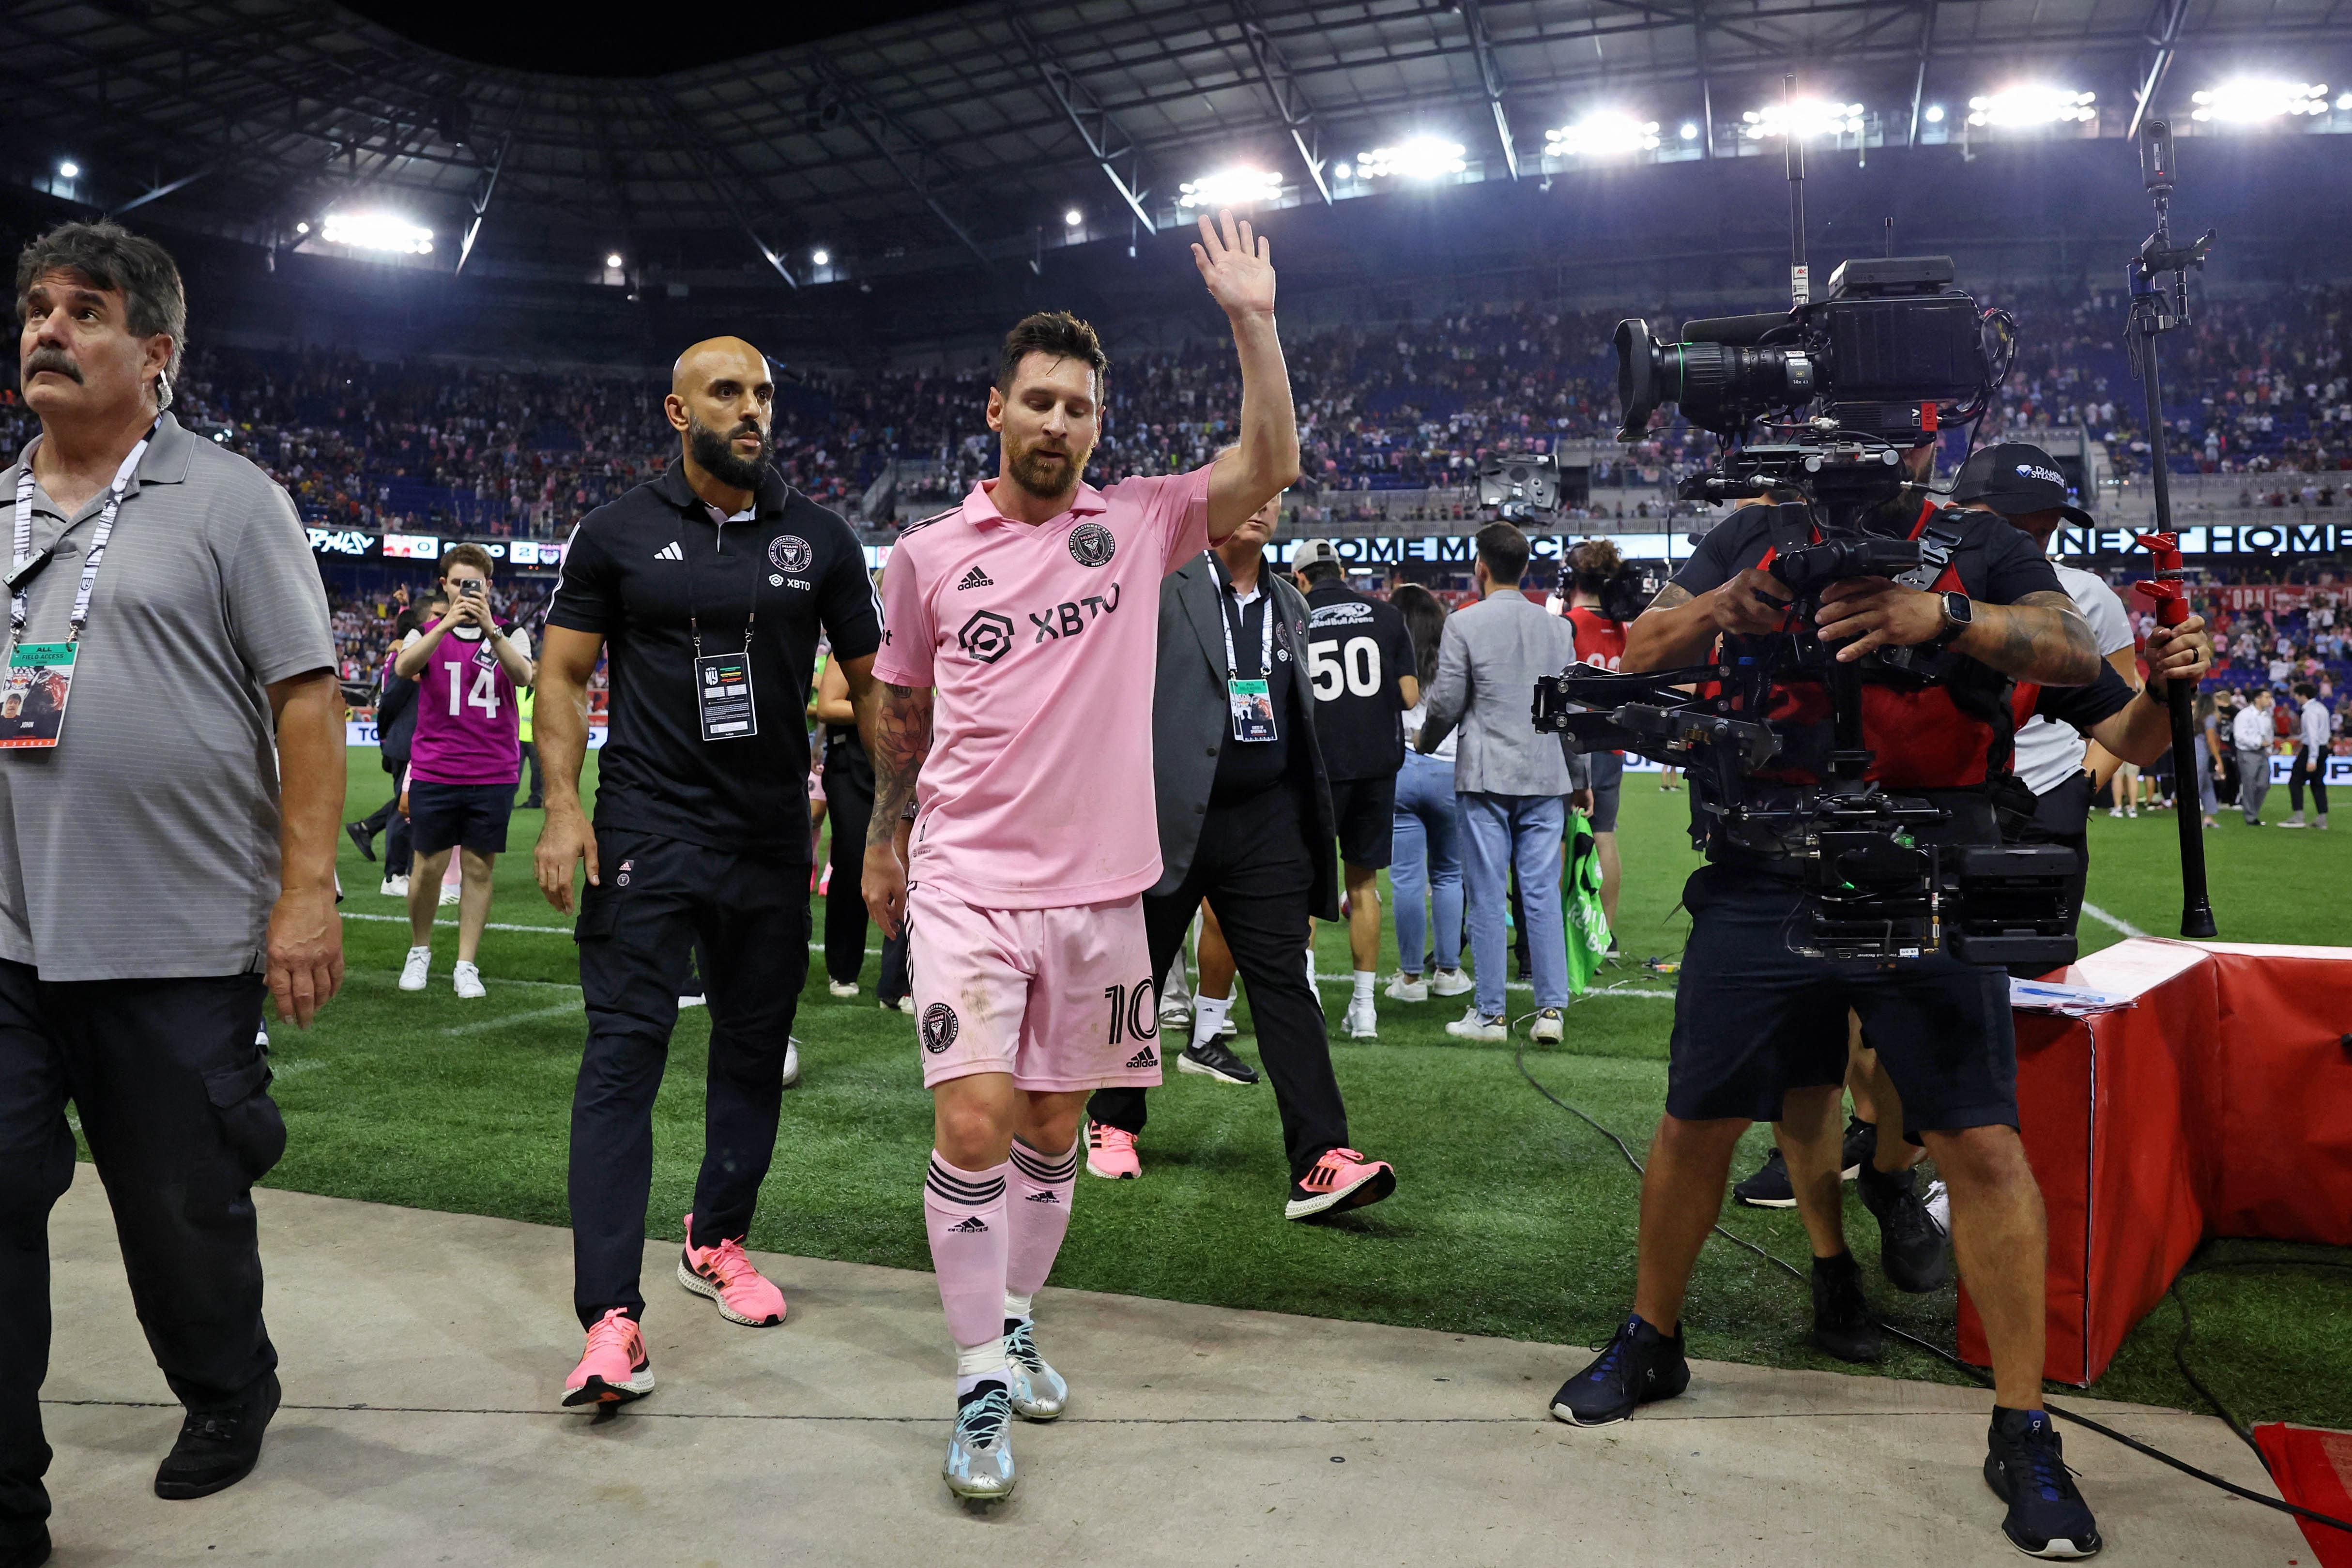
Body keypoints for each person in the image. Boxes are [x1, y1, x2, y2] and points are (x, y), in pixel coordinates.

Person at [1548, 447, 2118, 1559]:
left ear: (1924, 438)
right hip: (1763, 868)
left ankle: (2024, 1421)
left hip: (1926, 866)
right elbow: (1646, 646)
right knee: (1695, 1118)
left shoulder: (1978, 537)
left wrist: (1938, 615)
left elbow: (2075, 649)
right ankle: (1651, 1336)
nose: (1860, 458)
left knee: (1984, 1145)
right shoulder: (1750, 527)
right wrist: (1725, 603)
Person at [860, 211, 1297, 1502]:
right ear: (996, 409)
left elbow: (1270, 455)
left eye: (1079, 408)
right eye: (1037, 401)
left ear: (1098, 427)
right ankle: (977, 1383)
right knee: (977, 1116)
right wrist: (886, 836)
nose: (1057, 422)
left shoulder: (1143, 522)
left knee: (1056, 1126)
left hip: (1105, 889)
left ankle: (1016, 1315)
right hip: (968, 885)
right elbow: (904, 709)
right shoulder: (926, 557)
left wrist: (1250, 320)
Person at [1, 220, 343, 1565]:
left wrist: (305, 890)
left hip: (174, 937)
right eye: (36, 307)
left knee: (179, 1213)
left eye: (84, 311)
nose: (47, 330)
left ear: (156, 352)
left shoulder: (229, 498)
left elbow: (307, 698)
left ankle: (228, 1383)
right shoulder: (1, 503)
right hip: (15, 934)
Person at [533, 335, 884, 1411]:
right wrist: (561, 803)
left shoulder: (820, 539)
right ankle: (609, 1316)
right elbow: (560, 669)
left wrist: (893, 825)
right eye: (727, 392)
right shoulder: (616, 531)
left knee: (749, 1051)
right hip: (647, 827)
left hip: (774, 835)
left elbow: (875, 689)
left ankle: (717, 1237)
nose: (752, 409)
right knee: (623, 1057)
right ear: (678, 411)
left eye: (764, 392)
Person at [1083, 488, 1396, 1216]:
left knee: (1285, 983)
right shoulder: (1163, 581)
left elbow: (1292, 713)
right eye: (1247, 490)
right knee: (1141, 972)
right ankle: (1113, 1116)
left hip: (1265, 824)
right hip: (1169, 814)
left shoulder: (1291, 601)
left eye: (1275, 493)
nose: (1261, 504)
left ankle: (1321, 1155)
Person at [1417, 522, 1590, 1045]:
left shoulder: (1464, 622)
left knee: (1488, 895)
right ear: (1525, 568)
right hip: (1544, 774)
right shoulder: (1558, 629)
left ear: (1481, 568)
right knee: (1541, 893)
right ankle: (1551, 1011)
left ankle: (1490, 1013)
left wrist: (1425, 742)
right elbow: (1569, 712)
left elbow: (1445, 701)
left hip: (1486, 774)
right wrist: (1579, 777)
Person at [393, 545, 535, 1000]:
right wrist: (446, 626)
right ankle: (420, 949)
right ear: (445, 585)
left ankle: (466, 963)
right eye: (458, 583)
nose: (465, 590)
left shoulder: (512, 633)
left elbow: (523, 676)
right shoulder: (425, 631)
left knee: (478, 869)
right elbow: (403, 667)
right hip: (437, 768)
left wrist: (491, 629)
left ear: (489, 587)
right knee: (428, 867)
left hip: (492, 770)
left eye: (474, 583)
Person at [1292, 537, 1418, 1039]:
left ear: (1302, 578)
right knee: (1362, 886)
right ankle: (1364, 1008)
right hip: (1374, 768)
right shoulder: (1386, 616)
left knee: (1305, 889)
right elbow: (1409, 696)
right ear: (1341, 571)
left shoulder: (1294, 616)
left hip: (1316, 770)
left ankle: (1310, 999)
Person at [810, 652, 912, 1007]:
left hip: (898, 760)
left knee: (907, 862)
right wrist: (887, 710)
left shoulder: (917, 636)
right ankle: (843, 967)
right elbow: (827, 706)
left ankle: (898, 982)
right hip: (851, 762)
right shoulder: (855, 643)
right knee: (853, 859)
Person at [1387, 583, 1470, 1001]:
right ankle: (1449, 971)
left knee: (1406, 878)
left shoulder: (1384, 647)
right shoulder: (1451, 648)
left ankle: (1410, 978)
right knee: (1448, 875)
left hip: (1399, 768)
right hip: (1445, 765)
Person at [1560, 539, 1631, 945]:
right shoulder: (1622, 628)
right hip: (1613, 741)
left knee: (1561, 838)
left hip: (1574, 741)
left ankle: (1559, 933)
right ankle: (1602, 934)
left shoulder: (1569, 624)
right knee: (1604, 833)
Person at [346, 603, 424, 897]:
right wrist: (386, 738)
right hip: (406, 743)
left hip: (414, 742)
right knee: (404, 809)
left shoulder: (409, 653)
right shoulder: (407, 657)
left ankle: (367, 831)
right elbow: (389, 700)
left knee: (409, 805)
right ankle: (394, 876)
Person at [2281, 680, 2330, 828]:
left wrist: (2312, 758)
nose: (2295, 698)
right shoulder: (2321, 708)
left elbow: (2313, 735)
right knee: (2318, 783)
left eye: (2297, 695)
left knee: (2295, 781)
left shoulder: (2309, 712)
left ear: (2303, 695)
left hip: (2312, 749)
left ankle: (2298, 816)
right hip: (2323, 748)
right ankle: (2322, 819)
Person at [2234, 686, 2276, 824]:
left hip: (2262, 753)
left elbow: (2269, 734)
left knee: (2264, 785)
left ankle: (2253, 811)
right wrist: (2259, 742)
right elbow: (2239, 736)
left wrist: (2269, 747)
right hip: (2247, 753)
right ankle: (2251, 816)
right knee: (2250, 785)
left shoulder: (2267, 716)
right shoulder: (2244, 715)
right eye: (2267, 697)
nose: (2270, 700)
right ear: (2258, 699)